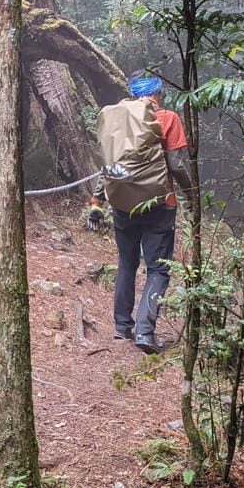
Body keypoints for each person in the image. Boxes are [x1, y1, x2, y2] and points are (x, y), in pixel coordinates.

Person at [86, 72, 195, 355]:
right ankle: (145, 332)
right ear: (158, 92)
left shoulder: (119, 118)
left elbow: (110, 165)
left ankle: (123, 326)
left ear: (134, 93)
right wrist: (192, 194)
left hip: (122, 203)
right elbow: (176, 164)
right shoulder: (168, 118)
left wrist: (97, 202)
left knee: (127, 262)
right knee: (158, 269)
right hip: (160, 204)